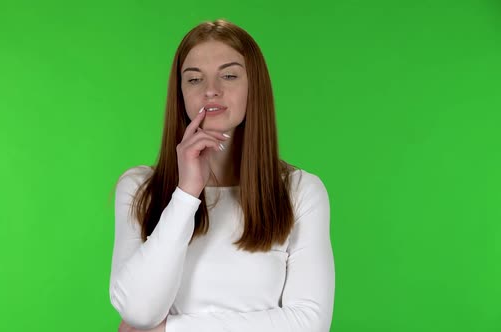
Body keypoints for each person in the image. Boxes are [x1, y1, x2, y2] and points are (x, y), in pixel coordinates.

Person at [109, 19, 335, 332]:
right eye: (194, 80)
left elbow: (309, 324)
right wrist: (186, 193)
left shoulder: (300, 192)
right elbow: (138, 311)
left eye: (228, 75)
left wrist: (168, 330)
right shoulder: (139, 189)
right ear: (181, 94)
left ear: (253, 87)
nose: (211, 91)